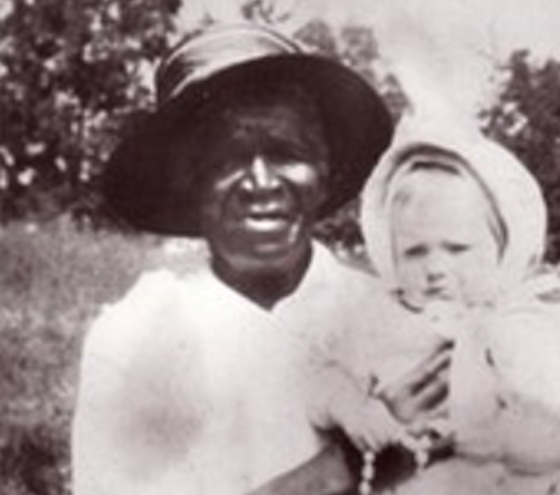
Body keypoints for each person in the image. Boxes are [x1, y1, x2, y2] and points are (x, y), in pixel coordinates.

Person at [71, 23, 402, 495]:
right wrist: (341, 468)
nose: (261, 182)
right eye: (227, 159)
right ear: (188, 185)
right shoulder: (135, 335)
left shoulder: (392, 318)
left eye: (287, 153)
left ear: (324, 172)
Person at [306, 112, 560, 495]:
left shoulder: (523, 328)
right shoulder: (378, 318)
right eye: (414, 251)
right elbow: (319, 377)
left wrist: (500, 441)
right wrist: (351, 409)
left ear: (503, 246)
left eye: (458, 248)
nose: (435, 268)